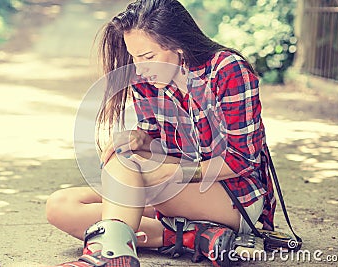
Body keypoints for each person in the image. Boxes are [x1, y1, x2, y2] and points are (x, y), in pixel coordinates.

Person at [46, 0, 276, 266]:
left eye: (147, 57)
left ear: (178, 45)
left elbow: (243, 159)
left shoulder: (227, 70)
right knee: (61, 205)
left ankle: (109, 255)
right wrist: (140, 138)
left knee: (128, 166)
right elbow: (156, 138)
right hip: (179, 193)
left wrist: (174, 173)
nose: (139, 67)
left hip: (233, 196)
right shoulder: (146, 79)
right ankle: (195, 236)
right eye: (133, 57)